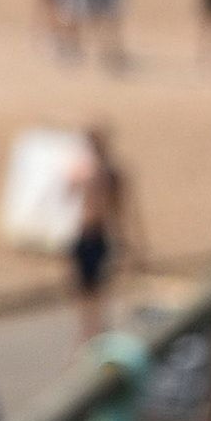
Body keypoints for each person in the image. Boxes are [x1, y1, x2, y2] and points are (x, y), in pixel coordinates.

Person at [65, 123, 138, 339]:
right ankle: (88, 331)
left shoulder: (111, 174)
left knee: (97, 287)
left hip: (98, 234)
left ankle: (94, 332)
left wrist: (126, 239)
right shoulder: (85, 171)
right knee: (81, 287)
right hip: (84, 233)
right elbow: (67, 196)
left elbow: (121, 209)